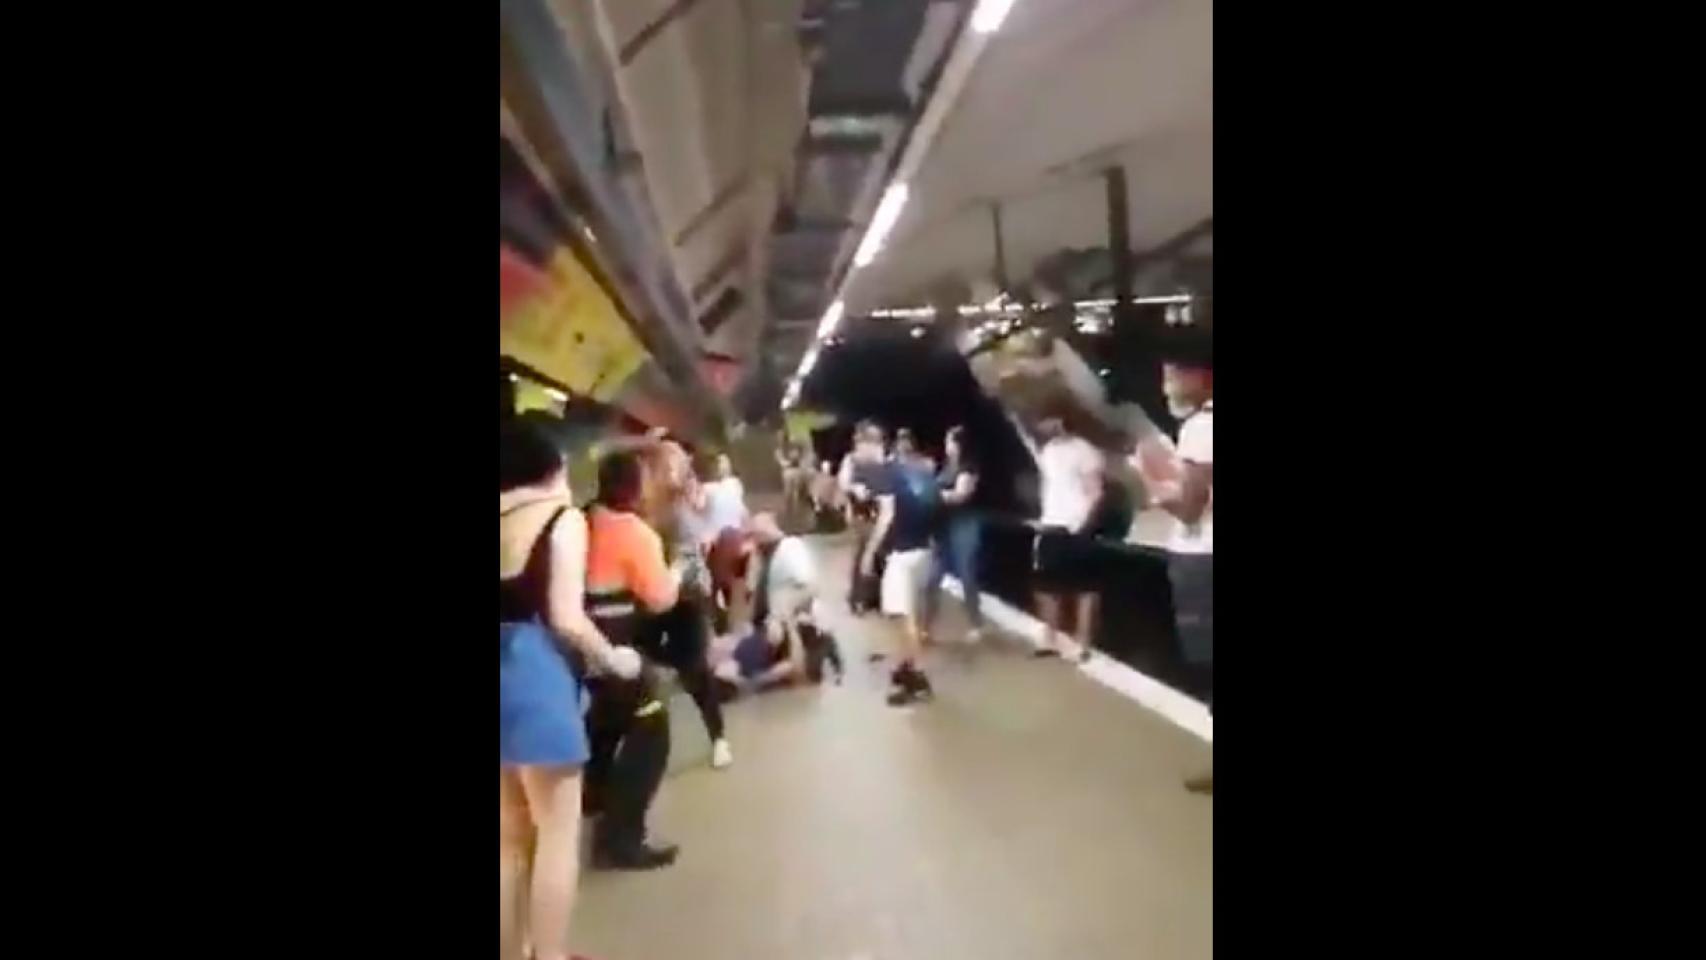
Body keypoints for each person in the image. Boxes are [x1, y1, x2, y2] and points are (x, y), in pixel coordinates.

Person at [500, 417, 644, 960]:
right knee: (558, 837)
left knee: (509, 843)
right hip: (535, 681)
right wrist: (615, 659)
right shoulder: (561, 519)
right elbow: (566, 616)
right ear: (552, 466)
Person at [583, 449, 688, 868]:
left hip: (579, 650)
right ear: (634, 487)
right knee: (651, 727)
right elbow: (660, 599)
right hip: (614, 649)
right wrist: (679, 571)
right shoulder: (633, 532)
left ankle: (595, 805)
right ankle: (622, 837)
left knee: (605, 731)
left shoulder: (582, 519)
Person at [1135, 332, 1214, 795]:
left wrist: (1150, 477)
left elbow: (1188, 509)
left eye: (1171, 374)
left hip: (1203, 561)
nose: (1165, 384)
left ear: (1199, 376)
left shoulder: (1201, 428)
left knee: (1207, 664)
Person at [864, 441, 942, 705]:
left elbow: (886, 515)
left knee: (900, 616)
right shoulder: (919, 471)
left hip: (902, 553)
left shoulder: (885, 473)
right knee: (911, 614)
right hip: (924, 551)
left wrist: (869, 553)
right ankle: (905, 665)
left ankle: (917, 678)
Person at [1030, 410, 1106, 661]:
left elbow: (1095, 491)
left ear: (1061, 419)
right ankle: (1050, 636)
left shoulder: (1084, 451)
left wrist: (1082, 524)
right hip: (1050, 524)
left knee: (1083, 588)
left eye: (1046, 419)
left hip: (1075, 527)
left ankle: (1081, 642)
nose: (1041, 425)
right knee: (1046, 586)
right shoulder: (1048, 451)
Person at [923, 425, 985, 645]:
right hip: (944, 526)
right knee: (932, 577)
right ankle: (926, 626)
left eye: (949, 441)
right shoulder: (947, 467)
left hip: (964, 524)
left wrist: (933, 494)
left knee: (967, 573)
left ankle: (976, 624)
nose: (946, 445)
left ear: (958, 444)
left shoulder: (968, 467)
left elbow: (961, 495)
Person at [839, 421, 890, 614]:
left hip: (880, 510)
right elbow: (843, 482)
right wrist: (855, 489)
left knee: (879, 556)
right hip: (862, 513)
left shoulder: (881, 459)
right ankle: (858, 598)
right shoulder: (852, 460)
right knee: (863, 553)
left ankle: (875, 596)